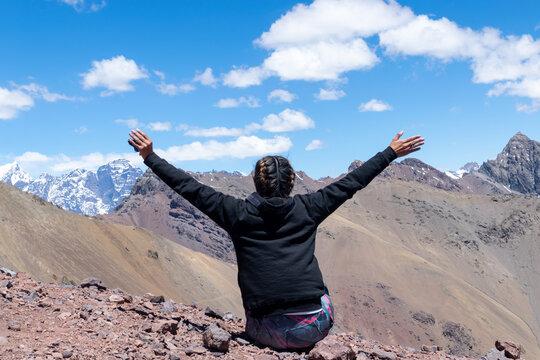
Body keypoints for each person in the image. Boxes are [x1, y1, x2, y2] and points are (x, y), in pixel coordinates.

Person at [128, 129, 424, 350]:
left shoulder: (235, 213)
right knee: (321, 288)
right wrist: (390, 153)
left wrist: (150, 157)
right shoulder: (311, 208)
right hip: (315, 328)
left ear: (255, 183)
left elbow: (188, 187)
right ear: (292, 184)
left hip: (263, 332)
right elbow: (352, 183)